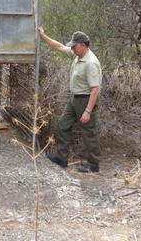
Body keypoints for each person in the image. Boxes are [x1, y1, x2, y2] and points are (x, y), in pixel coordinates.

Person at [39, 27, 102, 173]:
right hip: (74, 98)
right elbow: (59, 46)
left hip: (85, 100)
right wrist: (43, 36)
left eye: (74, 46)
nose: (72, 48)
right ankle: (62, 159)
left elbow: (95, 89)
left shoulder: (91, 62)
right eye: (72, 46)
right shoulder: (77, 54)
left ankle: (94, 164)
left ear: (83, 45)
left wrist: (87, 111)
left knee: (89, 132)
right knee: (62, 125)